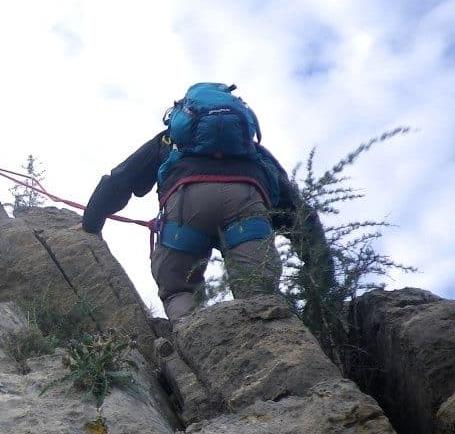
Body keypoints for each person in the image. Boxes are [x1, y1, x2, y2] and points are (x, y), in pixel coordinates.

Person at [83, 83, 300, 322]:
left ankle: (195, 340)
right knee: (260, 295)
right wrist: (323, 273)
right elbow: (298, 214)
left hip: (186, 205)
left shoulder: (169, 143)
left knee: (179, 290)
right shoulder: (255, 153)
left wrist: (91, 225)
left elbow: (120, 181)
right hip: (246, 199)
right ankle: (270, 344)